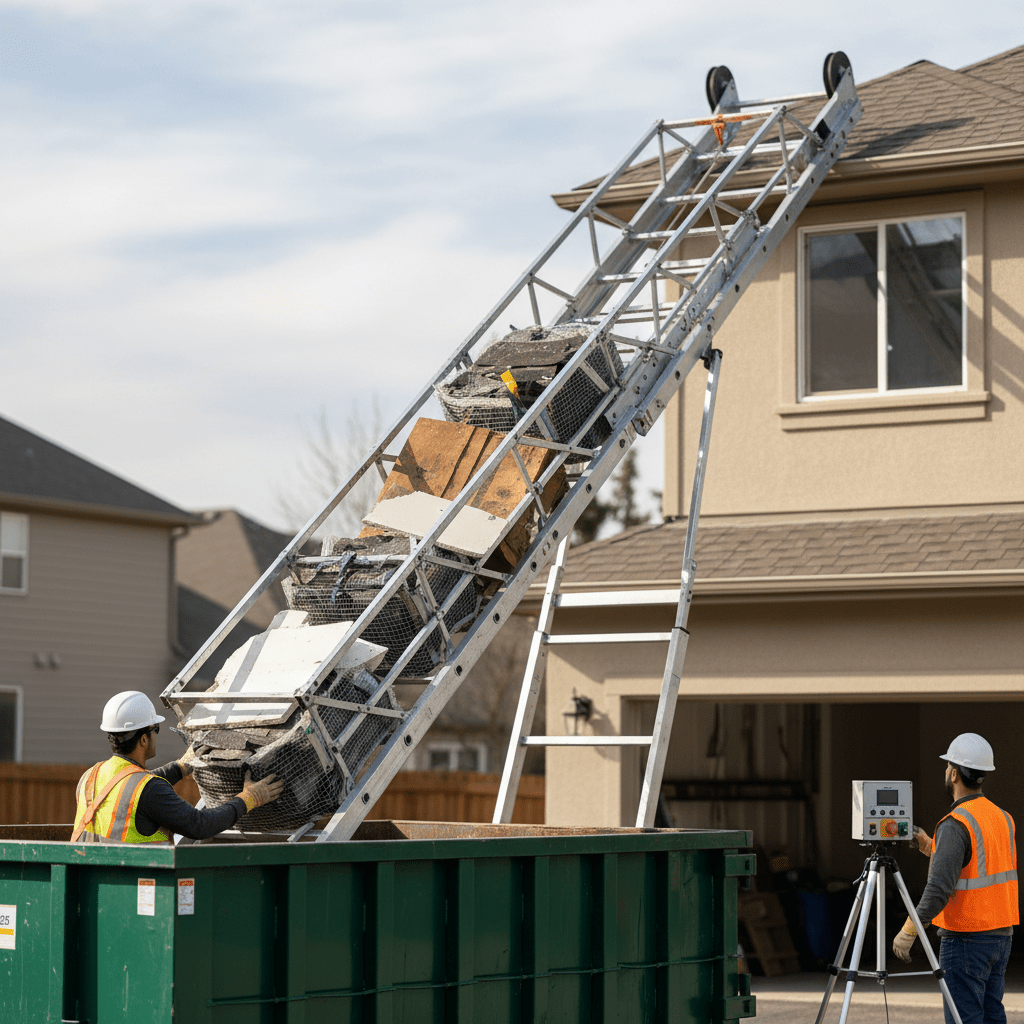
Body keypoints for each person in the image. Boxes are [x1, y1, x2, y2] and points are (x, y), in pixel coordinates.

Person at [892, 733, 1018, 1024]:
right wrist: (930, 846)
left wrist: (911, 929)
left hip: (967, 940)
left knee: (966, 1019)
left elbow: (939, 888)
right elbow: (979, 863)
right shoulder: (1002, 817)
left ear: (953, 773)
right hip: (1001, 937)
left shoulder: (956, 823)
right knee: (991, 1016)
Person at [72, 690, 284, 843]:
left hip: (93, 884)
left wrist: (182, 766)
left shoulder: (90, 777)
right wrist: (248, 799)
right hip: (139, 890)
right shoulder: (150, 790)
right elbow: (200, 825)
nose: (157, 736)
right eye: (157, 729)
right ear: (144, 739)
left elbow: (129, 788)